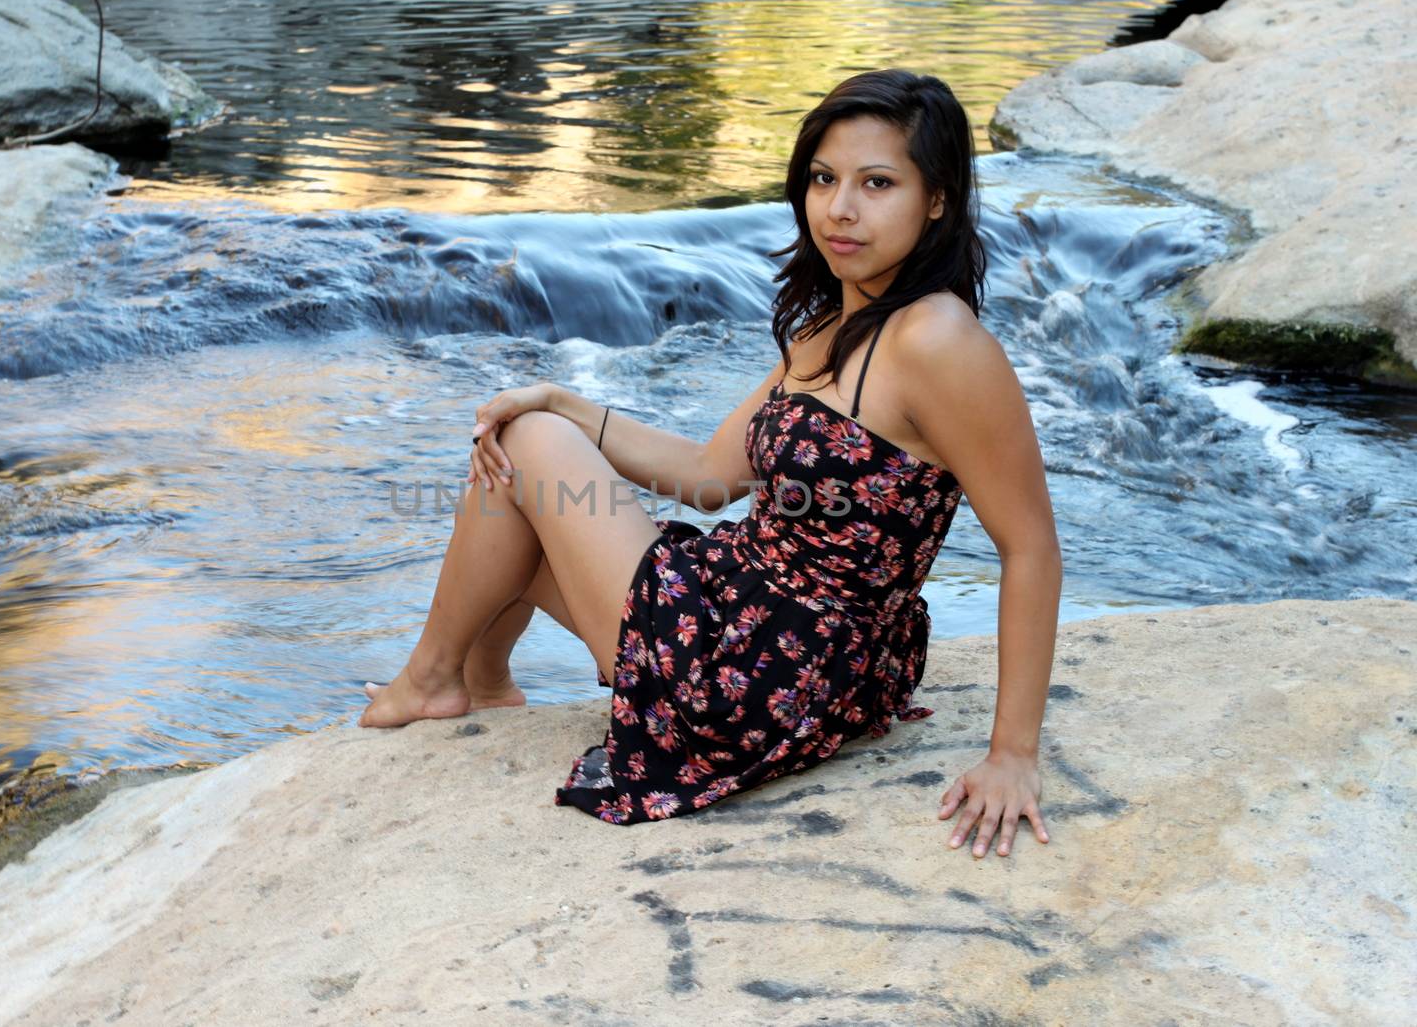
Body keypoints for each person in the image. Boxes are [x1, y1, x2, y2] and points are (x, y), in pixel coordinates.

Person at [360, 69, 1061, 860]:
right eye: (824, 179)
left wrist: (1013, 754)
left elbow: (1030, 545)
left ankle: (433, 678)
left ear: (937, 200)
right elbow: (706, 473)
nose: (840, 208)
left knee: (527, 452)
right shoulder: (836, 325)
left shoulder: (940, 340)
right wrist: (563, 399)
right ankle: (478, 684)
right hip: (757, 620)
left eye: (877, 183)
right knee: (530, 449)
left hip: (765, 673)